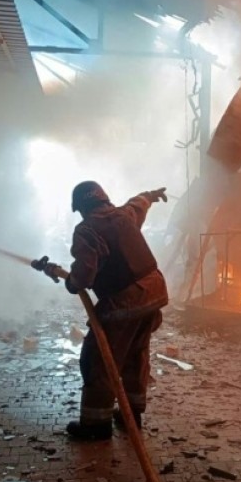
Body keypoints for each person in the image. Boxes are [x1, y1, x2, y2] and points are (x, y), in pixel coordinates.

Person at [64, 180, 169, 440]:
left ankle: (95, 425)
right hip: (154, 291)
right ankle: (132, 415)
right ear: (104, 200)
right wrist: (151, 194)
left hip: (126, 301)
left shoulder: (87, 230)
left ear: (82, 207)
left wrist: (71, 282)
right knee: (136, 354)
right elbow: (138, 203)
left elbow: (85, 274)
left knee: (98, 359)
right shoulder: (123, 215)